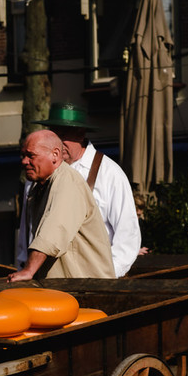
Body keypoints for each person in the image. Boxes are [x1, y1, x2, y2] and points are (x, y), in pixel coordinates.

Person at [5, 130, 115, 376]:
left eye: (30, 154)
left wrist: (28, 270)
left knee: (39, 356)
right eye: (22, 154)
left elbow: (53, 231)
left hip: (86, 293)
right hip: (62, 292)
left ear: (56, 154)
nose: (24, 160)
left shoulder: (65, 182)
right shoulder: (41, 186)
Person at [26, 102, 142, 276]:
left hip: (92, 284)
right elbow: (27, 231)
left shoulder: (109, 174)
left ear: (81, 134)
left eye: (62, 134)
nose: (56, 141)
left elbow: (128, 237)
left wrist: (105, 275)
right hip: (49, 283)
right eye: (53, 133)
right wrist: (24, 266)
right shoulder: (37, 174)